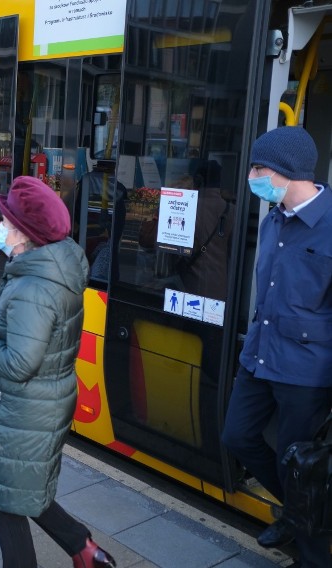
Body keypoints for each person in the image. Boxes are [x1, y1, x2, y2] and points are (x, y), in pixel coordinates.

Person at [0, 176, 116, 568]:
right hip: (41, 403)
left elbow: (19, 363)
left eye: (7, 224)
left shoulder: (33, 285)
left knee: (4, 501)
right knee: (21, 489)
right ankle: (85, 550)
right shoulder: (52, 266)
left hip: (24, 408)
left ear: (26, 234)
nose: (1, 229)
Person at [221, 126, 332, 566]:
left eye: (259, 167)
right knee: (237, 437)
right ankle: (296, 508)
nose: (253, 176)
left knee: (297, 462)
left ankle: (311, 555)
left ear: (286, 171)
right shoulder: (273, 221)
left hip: (306, 371)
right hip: (260, 358)